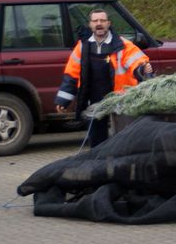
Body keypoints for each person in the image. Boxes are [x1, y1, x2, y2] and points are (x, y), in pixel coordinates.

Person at [55, 8, 153, 147]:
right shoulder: (83, 46)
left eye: (102, 20)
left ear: (109, 23)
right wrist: (63, 100)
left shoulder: (123, 45)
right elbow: (72, 74)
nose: (99, 23)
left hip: (120, 99)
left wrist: (143, 69)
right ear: (90, 24)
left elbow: (137, 62)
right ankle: (99, 164)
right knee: (96, 139)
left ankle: (121, 164)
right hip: (94, 100)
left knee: (123, 138)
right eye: (95, 21)